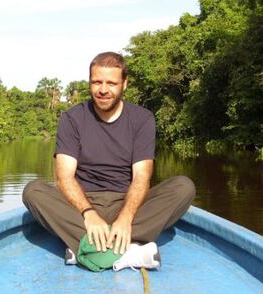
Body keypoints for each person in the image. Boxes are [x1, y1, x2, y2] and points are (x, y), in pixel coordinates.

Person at [23, 52, 195, 269]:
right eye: (96, 82)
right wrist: (88, 214)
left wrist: (126, 217)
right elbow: (64, 177)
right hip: (81, 206)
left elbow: (142, 177)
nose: (103, 90)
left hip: (128, 204)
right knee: (33, 191)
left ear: (124, 84)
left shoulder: (142, 119)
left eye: (111, 83)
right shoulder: (72, 118)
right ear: (90, 82)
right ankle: (128, 250)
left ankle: (87, 247)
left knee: (183, 187)